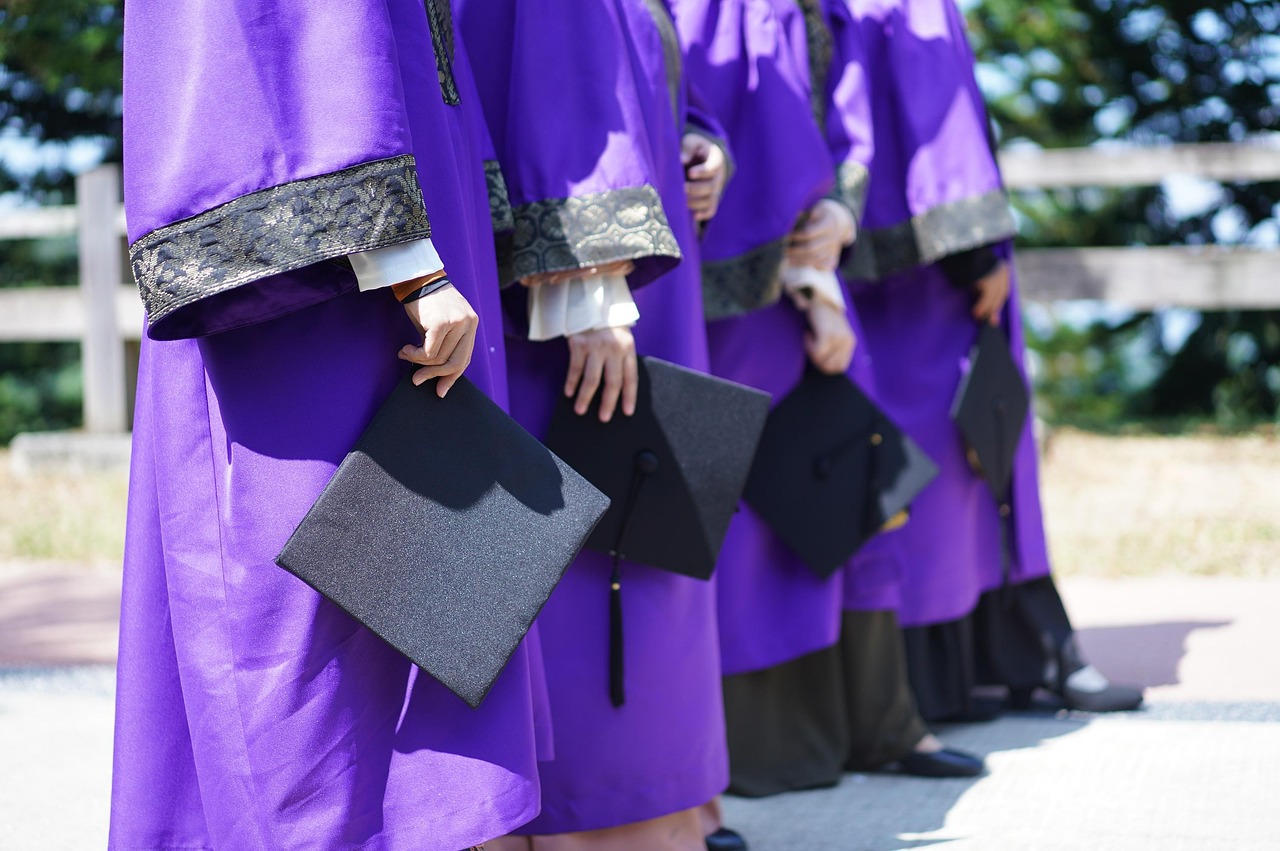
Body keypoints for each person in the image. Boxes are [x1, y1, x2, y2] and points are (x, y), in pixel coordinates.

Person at [110, 2, 549, 849]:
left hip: (408, 231)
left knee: (425, 591)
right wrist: (405, 261)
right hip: (316, 279)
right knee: (303, 613)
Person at [671, 1, 982, 819]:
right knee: (745, 521)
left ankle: (881, 720)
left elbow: (834, 123)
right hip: (724, 295)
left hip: (804, 276)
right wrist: (810, 285)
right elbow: (748, 130)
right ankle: (760, 747)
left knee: (856, 491)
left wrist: (838, 223)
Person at [456, 1, 733, 848]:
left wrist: (700, 142)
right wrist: (588, 283)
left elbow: (631, 72)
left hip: (635, 281)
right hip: (572, 300)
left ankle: (672, 804)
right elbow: (554, 71)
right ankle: (605, 815)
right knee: (587, 561)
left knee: (650, 548)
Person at [842, 0, 1144, 720]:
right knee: (965, 465)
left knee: (937, 472)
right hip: (936, 276)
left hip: (870, 266)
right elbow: (930, 100)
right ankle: (1027, 651)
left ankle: (953, 670)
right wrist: (975, 251)